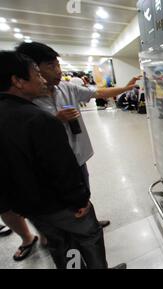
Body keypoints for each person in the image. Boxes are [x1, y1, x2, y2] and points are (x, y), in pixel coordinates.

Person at [0, 51, 116, 269]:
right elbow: (61, 169)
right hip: (60, 205)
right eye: (37, 73)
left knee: (61, 246)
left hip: (32, 208)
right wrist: (80, 200)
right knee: (89, 238)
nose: (43, 79)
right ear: (17, 81)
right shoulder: (39, 119)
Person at [16, 42, 142, 229]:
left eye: (57, 65)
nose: (58, 71)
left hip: (76, 155)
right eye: (50, 67)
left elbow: (97, 92)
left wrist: (125, 88)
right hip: (49, 163)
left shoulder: (66, 88)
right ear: (32, 70)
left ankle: (89, 221)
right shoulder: (24, 101)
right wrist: (56, 120)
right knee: (58, 200)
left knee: (83, 189)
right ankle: (63, 232)